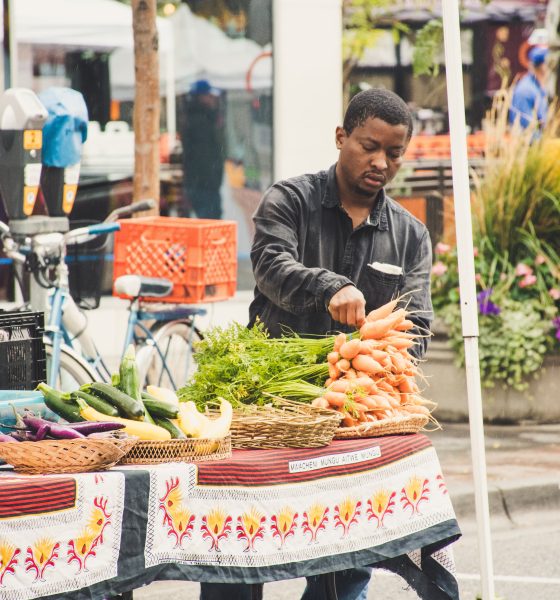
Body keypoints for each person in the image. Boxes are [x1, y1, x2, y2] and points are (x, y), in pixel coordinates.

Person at [199, 87, 433, 600]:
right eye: (369, 146)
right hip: (267, 408)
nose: (380, 162)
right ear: (341, 136)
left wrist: (375, 372)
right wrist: (332, 287)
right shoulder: (290, 199)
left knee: (344, 561)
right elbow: (269, 267)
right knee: (240, 549)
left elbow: (416, 327)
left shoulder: (410, 235)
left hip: (350, 417)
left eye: (394, 153)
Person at [180, 79, 225, 219]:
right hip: (204, 186)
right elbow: (204, 157)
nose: (213, 99)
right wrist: (212, 181)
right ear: (202, 98)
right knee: (211, 230)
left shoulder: (197, 119)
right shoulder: (201, 122)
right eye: (210, 96)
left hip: (202, 185)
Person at [508, 46, 550, 129]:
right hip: (530, 140)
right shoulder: (525, 90)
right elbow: (527, 130)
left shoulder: (540, 87)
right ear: (543, 66)